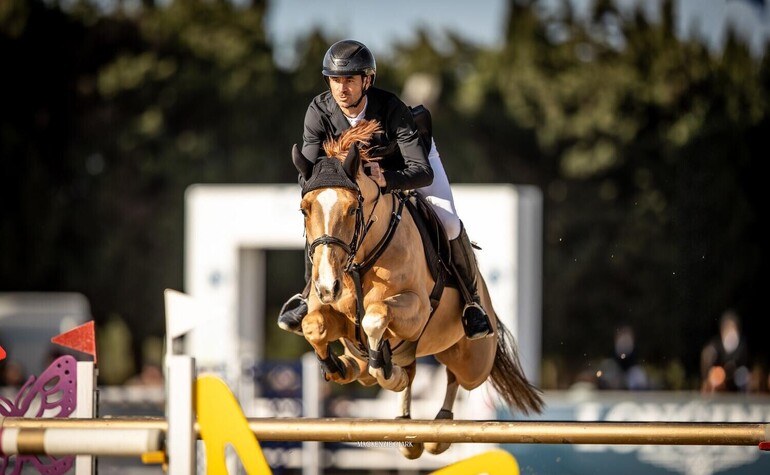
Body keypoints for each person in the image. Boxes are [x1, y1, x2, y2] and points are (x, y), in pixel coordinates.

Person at [277, 39, 492, 340]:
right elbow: (309, 173)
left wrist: (387, 180)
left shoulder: (392, 109)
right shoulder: (319, 110)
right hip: (357, 180)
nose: (341, 89)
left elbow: (422, 171)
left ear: (367, 80)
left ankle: (472, 303)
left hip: (408, 164)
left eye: (349, 80)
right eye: (335, 80)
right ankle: (306, 294)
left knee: (448, 222)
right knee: (323, 218)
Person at [700, 309, 750, 393]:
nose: (731, 332)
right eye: (727, 327)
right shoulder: (715, 346)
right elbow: (708, 360)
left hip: (736, 382)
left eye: (733, 327)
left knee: (743, 377)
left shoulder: (742, 347)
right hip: (719, 381)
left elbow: (744, 368)